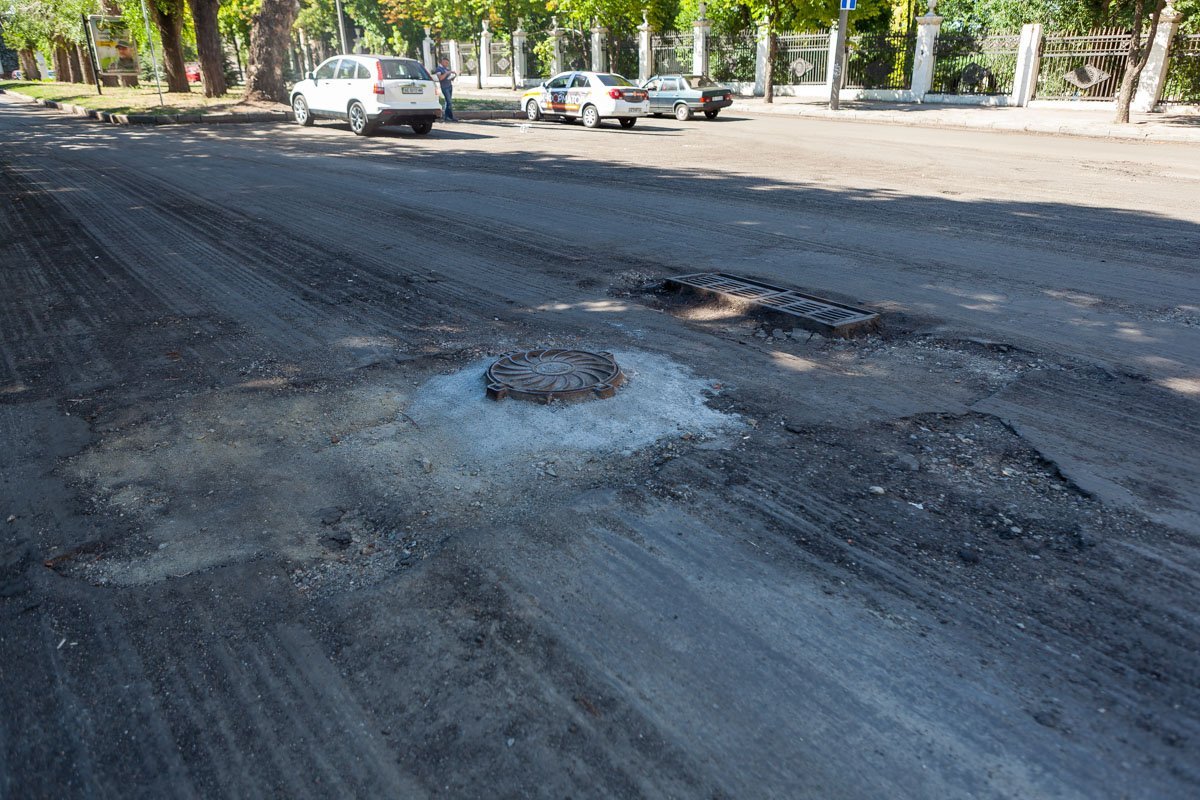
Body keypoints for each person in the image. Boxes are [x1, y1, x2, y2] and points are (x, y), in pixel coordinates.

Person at [434, 57, 458, 122]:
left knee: (448, 102)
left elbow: (449, 78)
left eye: (448, 63)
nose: (447, 64)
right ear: (442, 62)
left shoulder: (446, 68)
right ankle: (449, 116)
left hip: (449, 86)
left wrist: (453, 76)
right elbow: (440, 78)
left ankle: (447, 116)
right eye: (446, 63)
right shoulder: (439, 69)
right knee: (449, 102)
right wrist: (447, 73)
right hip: (444, 87)